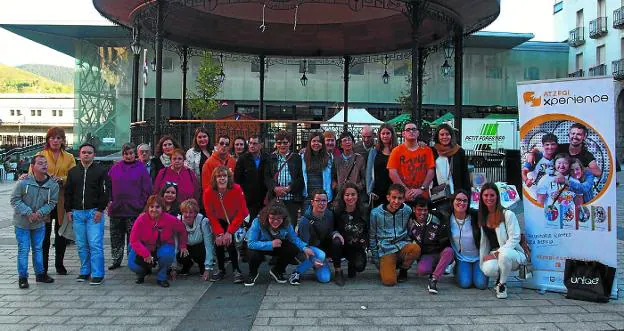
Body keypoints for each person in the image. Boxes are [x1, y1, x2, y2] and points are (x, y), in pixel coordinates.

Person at [64, 143, 110, 285]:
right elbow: (68, 193)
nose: (86, 155)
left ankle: (98, 274)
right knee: (82, 244)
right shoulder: (73, 172)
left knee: (95, 244)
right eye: (84, 152)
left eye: (89, 152)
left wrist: (100, 210)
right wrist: (68, 210)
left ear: (94, 155)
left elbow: (105, 192)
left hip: (93, 212)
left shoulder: (101, 171)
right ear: (79, 154)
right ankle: (85, 271)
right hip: (77, 213)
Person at [11, 155, 58, 288]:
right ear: (32, 167)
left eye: (45, 163)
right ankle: (23, 277)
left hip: (39, 223)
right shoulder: (23, 182)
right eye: (40, 163)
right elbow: (15, 200)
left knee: (38, 248)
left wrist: (40, 213)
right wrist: (28, 212)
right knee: (24, 249)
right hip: (22, 223)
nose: (44, 165)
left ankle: (40, 275)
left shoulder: (52, 185)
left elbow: (52, 202)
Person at [35, 127, 76, 275]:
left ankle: (59, 264)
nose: (55, 141)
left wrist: (62, 179)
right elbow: (32, 173)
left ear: (63, 140)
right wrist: (46, 177)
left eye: (59, 138)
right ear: (48, 140)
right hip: (43, 201)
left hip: (62, 200)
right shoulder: (41, 154)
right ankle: (43, 267)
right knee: (43, 235)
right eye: (52, 138)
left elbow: (73, 177)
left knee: (61, 234)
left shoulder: (69, 157)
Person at [245, 202, 313, 286]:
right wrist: (270, 244)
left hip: (276, 244)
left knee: (293, 249)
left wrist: (304, 248)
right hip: (258, 246)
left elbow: (294, 238)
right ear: (267, 216)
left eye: (279, 218)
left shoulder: (287, 223)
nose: (275, 221)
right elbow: (251, 243)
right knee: (253, 254)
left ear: (283, 218)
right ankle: (252, 273)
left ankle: (277, 270)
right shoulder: (257, 222)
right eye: (272, 218)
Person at [107, 143, 152, 270]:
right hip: (117, 209)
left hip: (134, 210)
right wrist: (110, 200)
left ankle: (132, 260)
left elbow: (147, 188)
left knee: (133, 238)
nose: (128, 156)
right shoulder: (115, 168)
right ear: (122, 155)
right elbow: (109, 186)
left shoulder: (141, 168)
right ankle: (116, 260)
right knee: (116, 237)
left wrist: (141, 203)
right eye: (126, 154)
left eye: (131, 153)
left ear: (135, 154)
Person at [478, 183, 527, 299]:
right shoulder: (483, 216)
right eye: (486, 195)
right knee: (488, 268)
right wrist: (485, 256)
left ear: (497, 197)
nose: (489, 198)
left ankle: (502, 284)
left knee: (504, 255)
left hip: (513, 253)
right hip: (495, 253)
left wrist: (497, 253)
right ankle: (498, 279)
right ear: (481, 197)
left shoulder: (508, 214)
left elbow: (515, 238)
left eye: (492, 195)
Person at [129, 195, 188, 288]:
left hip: (163, 245)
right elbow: (133, 240)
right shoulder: (141, 219)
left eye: (157, 207)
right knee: (133, 265)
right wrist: (145, 253)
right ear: (148, 207)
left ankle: (162, 276)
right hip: (145, 246)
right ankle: (143, 272)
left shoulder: (170, 219)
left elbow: (182, 230)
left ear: (162, 208)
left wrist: (183, 245)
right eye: (151, 207)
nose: (154, 210)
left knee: (167, 254)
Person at [203, 166, 249, 283]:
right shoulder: (208, 192)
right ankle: (221, 269)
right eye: (219, 176)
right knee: (219, 242)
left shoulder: (236, 189)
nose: (222, 179)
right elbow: (210, 214)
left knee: (230, 242)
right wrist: (219, 233)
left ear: (229, 178)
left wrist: (229, 231)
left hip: (235, 219)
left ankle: (236, 269)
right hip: (219, 220)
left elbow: (242, 211)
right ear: (214, 178)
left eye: (224, 176)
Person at [369, 184, 421, 286]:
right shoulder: (375, 213)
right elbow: (372, 237)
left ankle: (403, 269)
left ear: (404, 198)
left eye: (400, 198)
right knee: (389, 281)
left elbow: (410, 229)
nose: (396, 201)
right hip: (386, 248)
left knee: (416, 249)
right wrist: (376, 259)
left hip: (402, 245)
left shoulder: (407, 210)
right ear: (388, 197)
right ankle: (389, 265)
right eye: (394, 197)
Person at [289, 189, 335, 286]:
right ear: (312, 202)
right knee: (321, 255)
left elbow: (330, 234)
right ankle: (296, 272)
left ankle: (319, 263)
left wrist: (336, 233)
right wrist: (314, 260)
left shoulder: (329, 215)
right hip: (307, 250)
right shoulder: (305, 220)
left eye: (324, 200)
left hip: (322, 250)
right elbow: (304, 246)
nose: (321, 203)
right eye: (318, 200)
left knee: (325, 279)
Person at [409, 197, 453, 294]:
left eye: (425, 210)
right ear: (414, 209)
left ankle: (434, 279)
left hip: (440, 250)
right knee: (422, 270)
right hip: (427, 254)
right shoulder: (410, 222)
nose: (423, 213)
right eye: (419, 210)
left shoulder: (436, 218)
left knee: (449, 251)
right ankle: (436, 268)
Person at [528, 123, 601, 178]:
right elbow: (538, 149)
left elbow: (598, 172)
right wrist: (531, 154)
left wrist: (579, 168)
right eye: (573, 133)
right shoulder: (560, 147)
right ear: (569, 134)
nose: (575, 136)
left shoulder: (587, 155)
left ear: (584, 137)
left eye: (579, 134)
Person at [387, 122, 435, 204]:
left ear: (418, 133)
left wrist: (421, 189)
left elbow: (431, 171)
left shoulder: (427, 150)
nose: (411, 132)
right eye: (408, 130)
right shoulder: (396, 151)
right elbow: (392, 173)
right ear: (403, 134)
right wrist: (406, 190)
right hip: (403, 196)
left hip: (422, 195)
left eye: (414, 129)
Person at [448, 190, 487, 290]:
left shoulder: (475, 216)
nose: (461, 203)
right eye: (458, 200)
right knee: (465, 284)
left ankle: (476, 271)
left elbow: (492, 211)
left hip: (479, 257)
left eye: (465, 201)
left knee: (481, 284)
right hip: (462, 258)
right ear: (453, 201)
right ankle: (457, 269)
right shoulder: (447, 217)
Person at [265, 130, 304, 226]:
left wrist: (289, 188)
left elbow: (300, 178)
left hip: (291, 199)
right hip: (275, 198)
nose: (282, 145)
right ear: (276, 144)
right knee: (275, 225)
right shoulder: (271, 158)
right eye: (279, 143)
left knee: (290, 225)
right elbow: (267, 177)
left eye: (285, 142)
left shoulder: (297, 158)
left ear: (290, 143)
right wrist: (275, 188)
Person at [332, 182, 368, 285]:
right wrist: (336, 233)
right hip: (341, 245)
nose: (350, 197)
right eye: (347, 195)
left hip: (356, 246)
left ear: (358, 195)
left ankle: (351, 264)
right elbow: (332, 228)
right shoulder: (337, 211)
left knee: (359, 266)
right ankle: (338, 271)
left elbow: (367, 229)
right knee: (336, 241)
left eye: (353, 194)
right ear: (343, 196)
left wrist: (364, 241)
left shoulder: (364, 210)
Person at [431, 124, 471, 211]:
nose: (445, 137)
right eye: (442, 134)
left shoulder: (459, 151)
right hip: (439, 194)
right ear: (437, 136)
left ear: (451, 136)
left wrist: (467, 194)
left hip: (457, 194)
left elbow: (465, 174)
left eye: (447, 134)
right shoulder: (432, 151)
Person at [175, 199, 214, 281]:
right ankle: (187, 264)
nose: (188, 215)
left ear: (195, 213)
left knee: (202, 250)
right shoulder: (178, 221)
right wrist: (173, 268)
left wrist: (208, 268)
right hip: (185, 247)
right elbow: (174, 244)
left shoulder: (203, 221)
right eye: (185, 212)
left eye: (191, 212)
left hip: (200, 248)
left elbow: (208, 245)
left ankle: (202, 266)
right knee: (180, 253)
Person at [234, 134, 269, 222]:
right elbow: (237, 180)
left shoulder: (267, 158)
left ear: (261, 145)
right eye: (250, 143)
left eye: (255, 143)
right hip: (248, 200)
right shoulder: (243, 159)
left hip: (264, 199)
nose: (252, 146)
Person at [366, 124, 398, 208]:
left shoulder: (397, 151)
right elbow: (369, 172)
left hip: (394, 192)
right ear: (379, 135)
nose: (385, 136)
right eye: (383, 133)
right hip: (377, 192)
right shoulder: (374, 151)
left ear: (392, 135)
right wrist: (369, 191)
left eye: (388, 133)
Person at [301, 132, 334, 209]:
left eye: (319, 141)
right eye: (314, 141)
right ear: (310, 143)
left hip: (323, 197)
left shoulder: (329, 158)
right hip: (308, 196)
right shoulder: (303, 157)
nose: (316, 143)